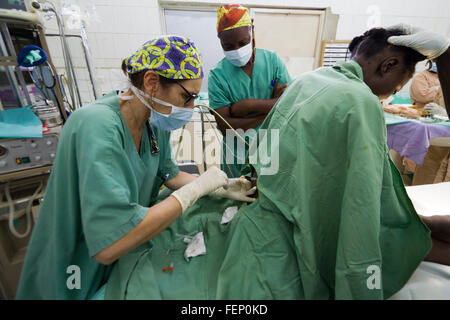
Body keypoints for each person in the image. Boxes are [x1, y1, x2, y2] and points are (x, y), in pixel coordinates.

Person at [215, 26, 450, 299]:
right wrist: (445, 57)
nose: (386, 97)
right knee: (407, 236)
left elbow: (268, 143)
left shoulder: (309, 79)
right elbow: (364, 195)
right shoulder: (360, 101)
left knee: (419, 224)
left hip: (274, 203)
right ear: (389, 65)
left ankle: (421, 224)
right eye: (396, 87)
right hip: (303, 222)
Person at [16, 36, 255, 299]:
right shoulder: (98, 126)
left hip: (122, 254)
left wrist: (220, 188)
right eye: (186, 97)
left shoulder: (154, 121)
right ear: (152, 83)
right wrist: (196, 189)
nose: (190, 108)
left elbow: (171, 175)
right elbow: (108, 244)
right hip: (75, 266)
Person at [208, 4, 292, 178]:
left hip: (271, 147)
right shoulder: (218, 76)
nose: (237, 50)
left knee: (268, 196)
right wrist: (269, 111)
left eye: (242, 42)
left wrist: (247, 106)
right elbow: (225, 126)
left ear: (251, 30)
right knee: (236, 198)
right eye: (228, 46)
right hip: (235, 153)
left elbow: (289, 106)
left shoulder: (272, 61)